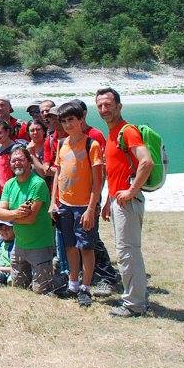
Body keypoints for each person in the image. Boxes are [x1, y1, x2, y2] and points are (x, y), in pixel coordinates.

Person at [95, 87, 154, 318]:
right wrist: (110, 201)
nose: (103, 109)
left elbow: (146, 162)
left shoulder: (127, 131)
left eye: (108, 104)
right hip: (119, 202)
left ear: (119, 106)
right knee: (127, 252)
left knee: (128, 253)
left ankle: (134, 305)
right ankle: (135, 298)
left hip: (128, 202)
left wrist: (130, 191)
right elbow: (116, 172)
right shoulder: (112, 133)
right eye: (100, 105)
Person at [50, 101, 105, 307]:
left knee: (86, 247)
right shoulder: (62, 144)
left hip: (83, 206)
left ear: (81, 119)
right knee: (70, 246)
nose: (67, 124)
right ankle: (73, 284)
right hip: (64, 204)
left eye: (71, 120)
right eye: (63, 121)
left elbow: (97, 181)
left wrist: (91, 209)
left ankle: (85, 287)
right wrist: (53, 201)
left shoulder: (92, 145)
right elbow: (58, 173)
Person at [0, 145, 59, 295]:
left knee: (41, 291)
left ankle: (61, 277)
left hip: (40, 245)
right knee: (18, 289)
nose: (16, 163)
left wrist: (9, 216)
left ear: (29, 161)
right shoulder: (10, 184)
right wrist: (17, 213)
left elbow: (30, 219)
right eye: (13, 160)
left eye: (20, 160)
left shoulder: (37, 184)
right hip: (19, 245)